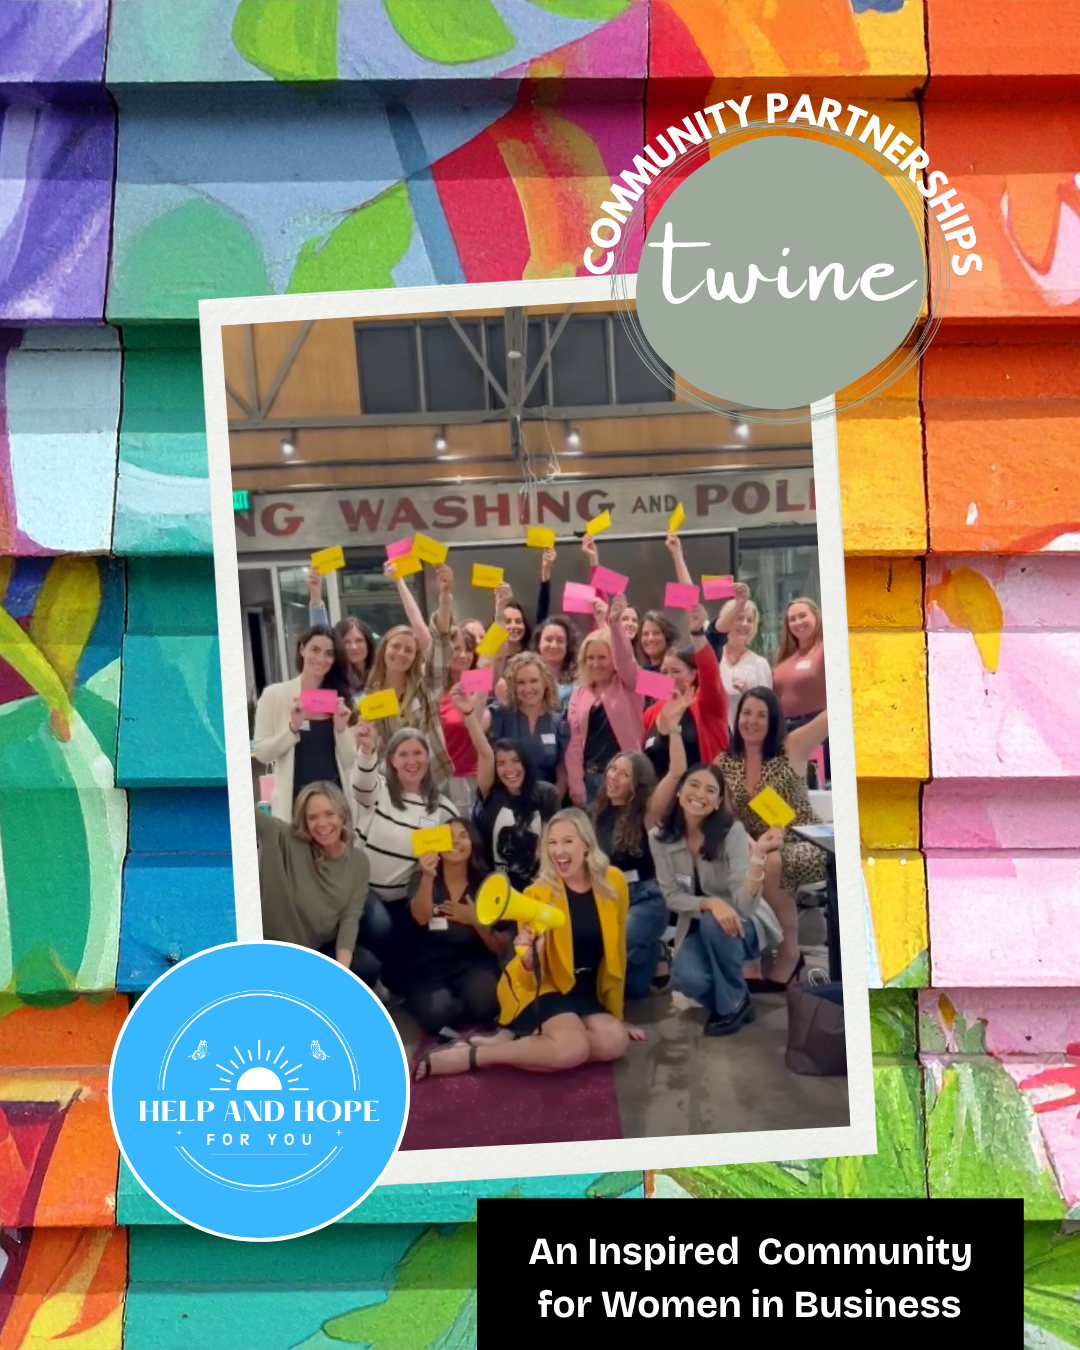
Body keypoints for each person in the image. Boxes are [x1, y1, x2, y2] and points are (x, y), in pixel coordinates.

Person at [415, 809, 646, 1078]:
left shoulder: (613, 882)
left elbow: (616, 953)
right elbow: (525, 975)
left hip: (586, 990)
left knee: (615, 1041)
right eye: (552, 843)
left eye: (567, 841)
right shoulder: (536, 894)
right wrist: (529, 959)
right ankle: (472, 1056)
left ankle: (523, 1042)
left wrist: (616, 1015)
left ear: (586, 844)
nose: (559, 850)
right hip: (543, 986)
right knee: (573, 1047)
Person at [650, 765, 785, 1036]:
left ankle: (731, 1007)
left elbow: (745, 905)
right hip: (698, 923)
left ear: (718, 802)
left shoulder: (731, 832)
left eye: (710, 790)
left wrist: (758, 854)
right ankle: (739, 1000)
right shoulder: (659, 837)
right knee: (685, 978)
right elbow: (672, 897)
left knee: (714, 923)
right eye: (694, 785)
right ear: (679, 791)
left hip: (743, 922)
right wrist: (710, 903)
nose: (700, 794)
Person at [715, 688, 829, 990]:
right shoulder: (725, 762)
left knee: (770, 862)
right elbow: (726, 818)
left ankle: (790, 951)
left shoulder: (790, 747)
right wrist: (746, 841)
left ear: (773, 720)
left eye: (761, 715)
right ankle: (750, 954)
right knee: (743, 861)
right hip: (755, 847)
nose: (751, 721)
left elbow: (832, 717)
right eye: (746, 713)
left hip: (804, 841)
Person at [590, 688, 693, 1000]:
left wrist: (674, 729)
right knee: (633, 991)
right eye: (612, 769)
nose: (613, 776)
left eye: (623, 774)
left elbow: (677, 772)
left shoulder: (647, 810)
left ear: (637, 783)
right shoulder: (596, 813)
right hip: (608, 895)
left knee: (619, 946)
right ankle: (654, 951)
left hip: (646, 898)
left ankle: (651, 946)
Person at [351, 723, 457, 993]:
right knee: (380, 925)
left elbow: (459, 838)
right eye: (404, 754)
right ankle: (370, 976)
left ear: (428, 757)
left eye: (418, 753)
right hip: (364, 890)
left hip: (405, 898)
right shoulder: (379, 790)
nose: (412, 761)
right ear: (392, 761)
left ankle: (387, 980)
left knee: (406, 962)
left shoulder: (441, 807)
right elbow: (361, 784)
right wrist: (367, 750)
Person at [255, 782, 379, 984]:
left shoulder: (358, 861)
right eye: (312, 817)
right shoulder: (286, 837)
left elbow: (350, 919)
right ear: (304, 821)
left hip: (315, 950)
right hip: (274, 952)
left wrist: (342, 973)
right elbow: (249, 813)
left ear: (342, 815)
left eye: (329, 814)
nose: (322, 824)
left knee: (367, 966)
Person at [404, 818, 511, 1039]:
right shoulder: (422, 877)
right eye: (449, 836)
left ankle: (462, 1006)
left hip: (473, 963)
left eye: (463, 836)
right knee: (435, 1014)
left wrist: (475, 921)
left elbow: (500, 947)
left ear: (473, 843)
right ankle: (453, 1008)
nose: (456, 841)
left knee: (487, 1002)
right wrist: (428, 877)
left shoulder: (487, 882)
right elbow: (421, 918)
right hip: (431, 968)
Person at [363, 563, 456, 789]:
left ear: (416, 657)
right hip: (390, 788)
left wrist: (444, 595)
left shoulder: (426, 686)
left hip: (432, 783)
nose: (401, 653)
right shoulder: (370, 697)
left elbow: (441, 641)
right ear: (384, 649)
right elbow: (374, 749)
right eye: (396, 646)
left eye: (408, 650)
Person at [252, 625, 355, 821]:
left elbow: (350, 760)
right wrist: (292, 728)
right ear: (302, 649)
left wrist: (341, 728)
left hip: (335, 807)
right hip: (294, 807)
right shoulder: (274, 695)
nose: (321, 659)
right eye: (315, 650)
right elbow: (263, 753)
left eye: (329, 654)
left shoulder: (339, 699)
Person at [566, 593, 645, 806]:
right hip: (591, 780)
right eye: (590, 658)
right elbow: (574, 743)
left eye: (602, 657)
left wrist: (615, 623)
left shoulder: (629, 683)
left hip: (627, 780)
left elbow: (626, 659)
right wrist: (575, 782)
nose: (595, 664)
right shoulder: (578, 694)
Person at [643, 603, 728, 778]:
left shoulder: (706, 705)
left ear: (693, 674)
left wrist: (697, 633)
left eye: (675, 671)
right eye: (664, 672)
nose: (669, 677)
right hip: (661, 792)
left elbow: (709, 670)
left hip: (701, 789)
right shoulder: (651, 713)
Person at [471, 732, 560, 895]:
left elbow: (550, 842)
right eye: (501, 763)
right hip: (498, 890)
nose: (509, 769)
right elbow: (484, 753)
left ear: (525, 763)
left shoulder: (547, 794)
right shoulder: (490, 794)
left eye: (515, 760)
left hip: (538, 887)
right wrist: (469, 718)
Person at [488, 652, 569, 792]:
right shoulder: (501, 714)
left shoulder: (558, 721)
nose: (528, 689)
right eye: (521, 683)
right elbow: (473, 723)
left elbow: (562, 772)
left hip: (546, 799)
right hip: (507, 798)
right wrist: (484, 669)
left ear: (545, 683)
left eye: (533, 681)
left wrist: (553, 800)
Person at [772, 596, 828, 780]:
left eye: (802, 616)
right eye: (792, 619)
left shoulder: (826, 649)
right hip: (787, 733)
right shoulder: (784, 657)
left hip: (819, 732)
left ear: (816, 616)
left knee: (821, 786)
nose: (797, 622)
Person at [305, 568, 375, 693]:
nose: (353, 647)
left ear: (368, 643)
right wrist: (315, 596)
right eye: (346, 642)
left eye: (359, 640)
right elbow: (320, 634)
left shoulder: (381, 675)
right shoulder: (330, 676)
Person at [715, 595, 772, 729]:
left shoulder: (760, 664)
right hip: (714, 735)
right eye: (739, 618)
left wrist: (748, 694)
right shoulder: (714, 658)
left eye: (750, 620)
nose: (745, 624)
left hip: (748, 734)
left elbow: (768, 708)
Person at [533, 616, 579, 710]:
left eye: (560, 640)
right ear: (539, 643)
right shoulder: (525, 673)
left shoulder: (579, 679)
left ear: (568, 645)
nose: (554, 645)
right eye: (548, 639)